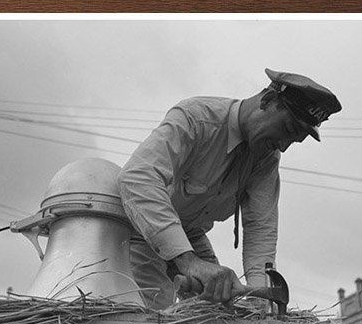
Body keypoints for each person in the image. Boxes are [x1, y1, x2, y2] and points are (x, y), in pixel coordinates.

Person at [118, 69, 342, 309]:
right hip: (140, 230)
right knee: (155, 318)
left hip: (191, 234)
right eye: (286, 130)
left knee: (219, 314)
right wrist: (190, 262)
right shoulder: (195, 118)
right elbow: (137, 177)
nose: (284, 146)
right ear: (267, 101)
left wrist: (260, 299)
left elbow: (260, 228)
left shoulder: (266, 157)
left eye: (294, 141)